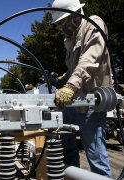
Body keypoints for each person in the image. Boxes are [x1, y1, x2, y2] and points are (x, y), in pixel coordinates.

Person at [51, 0, 112, 177]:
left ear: (75, 14)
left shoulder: (94, 25)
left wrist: (71, 84)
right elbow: (74, 67)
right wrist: (64, 78)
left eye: (62, 22)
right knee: (67, 148)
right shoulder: (69, 39)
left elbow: (89, 60)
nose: (60, 27)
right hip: (72, 102)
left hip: (90, 103)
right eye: (57, 24)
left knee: (95, 155)